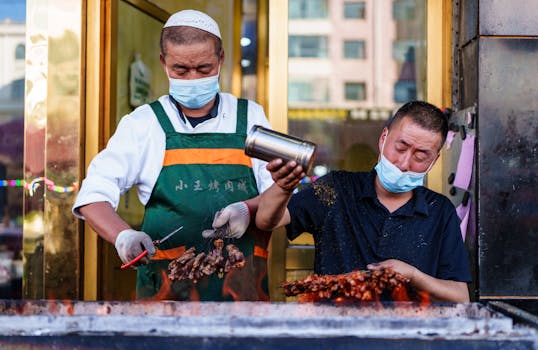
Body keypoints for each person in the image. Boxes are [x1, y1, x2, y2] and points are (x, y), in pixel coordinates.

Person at [73, 10, 273, 301]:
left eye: (204, 69)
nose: (193, 78)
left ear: (221, 59)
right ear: (163, 63)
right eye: (181, 70)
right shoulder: (142, 124)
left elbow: (280, 195)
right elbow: (93, 195)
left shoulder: (251, 117)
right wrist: (123, 235)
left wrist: (248, 209)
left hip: (242, 292)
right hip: (165, 297)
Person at [256, 101, 471, 302]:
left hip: (408, 336)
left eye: (421, 156)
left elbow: (461, 296)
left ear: (434, 160)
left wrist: (413, 276)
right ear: (383, 138)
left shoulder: (440, 211)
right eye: (401, 147)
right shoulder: (336, 188)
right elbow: (267, 220)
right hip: (336, 333)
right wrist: (283, 186)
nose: (404, 163)